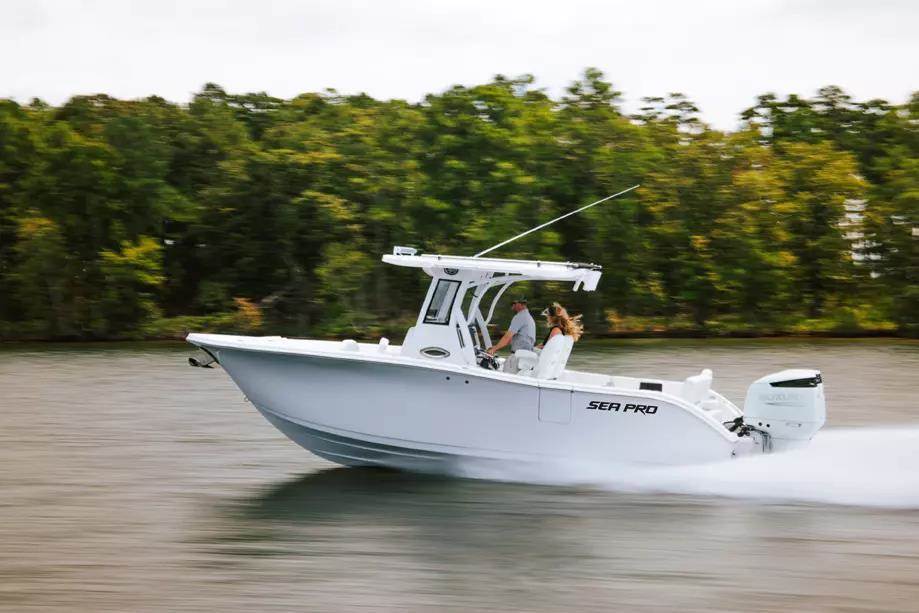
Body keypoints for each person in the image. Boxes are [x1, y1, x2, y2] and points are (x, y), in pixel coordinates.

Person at [486, 297, 536, 362]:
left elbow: (508, 337)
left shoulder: (520, 317)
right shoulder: (528, 317)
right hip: (524, 356)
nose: (512, 305)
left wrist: (494, 349)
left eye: (514, 303)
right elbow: (510, 339)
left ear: (522, 305)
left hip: (519, 357)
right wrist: (496, 347)